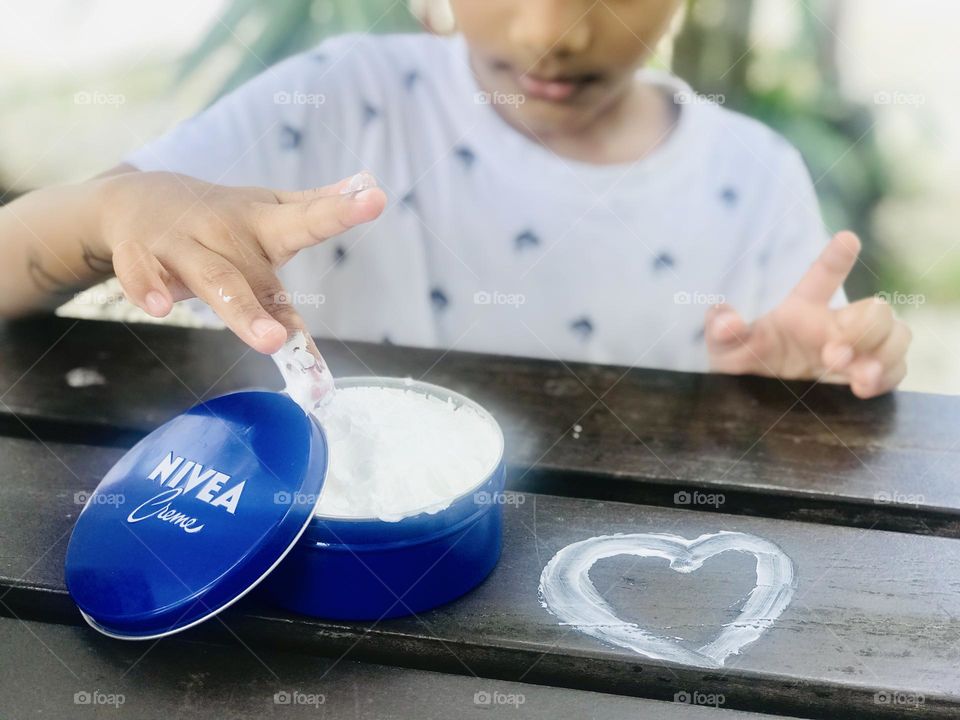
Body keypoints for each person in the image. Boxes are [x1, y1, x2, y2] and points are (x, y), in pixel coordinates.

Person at [0, 0, 911, 398]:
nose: (551, 32)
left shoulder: (754, 180)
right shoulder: (337, 97)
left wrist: (809, 395)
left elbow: (799, 403)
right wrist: (122, 212)